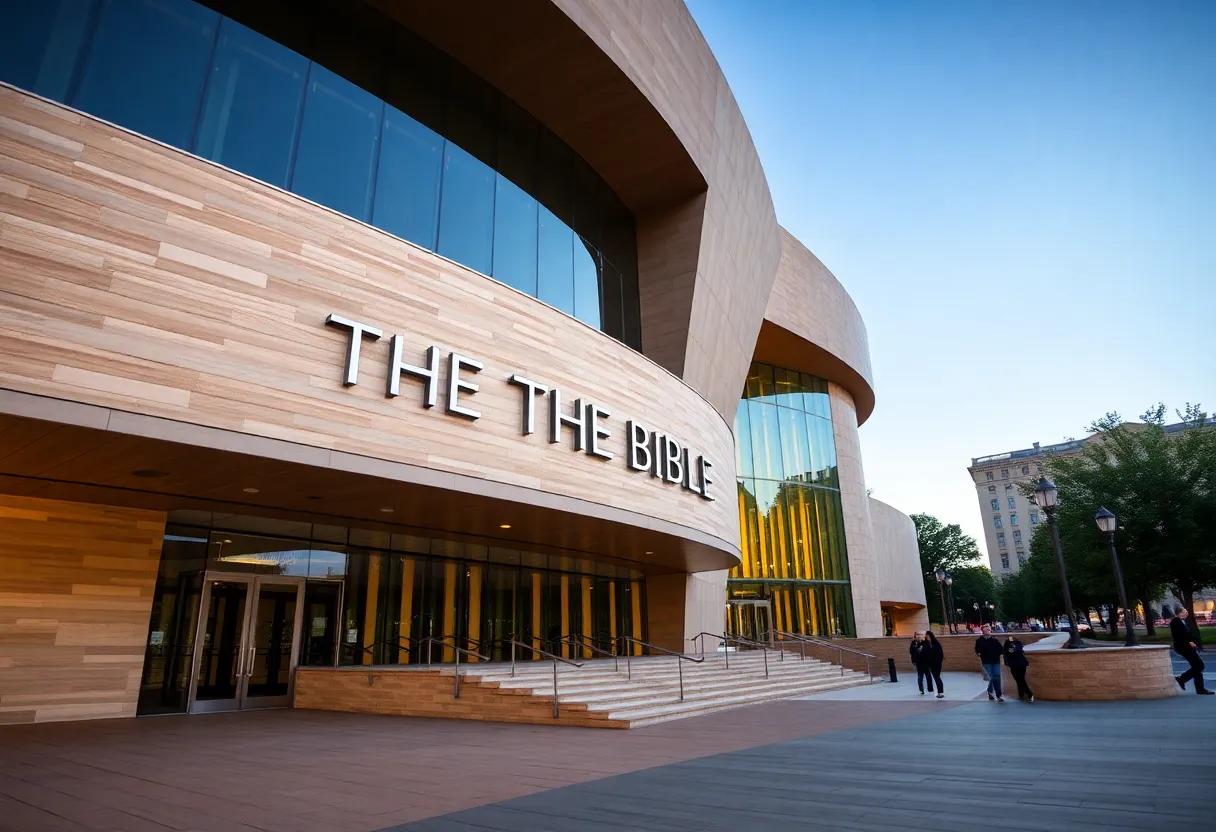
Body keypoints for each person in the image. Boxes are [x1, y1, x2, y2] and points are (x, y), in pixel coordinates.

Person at [1171, 606, 1213, 695]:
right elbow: (1180, 635)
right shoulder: (1175, 622)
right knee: (1199, 666)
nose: (1186, 612)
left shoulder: (1181, 621)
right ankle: (1182, 679)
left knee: (1197, 666)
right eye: (1184, 611)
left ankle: (1199, 688)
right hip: (1185, 648)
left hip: (1187, 647)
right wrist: (1190, 642)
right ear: (1180, 613)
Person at [975, 624, 1004, 702]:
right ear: (983, 631)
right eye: (986, 629)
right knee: (991, 678)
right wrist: (979, 654)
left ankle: (998, 695)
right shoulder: (979, 641)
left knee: (997, 677)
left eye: (989, 629)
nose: (988, 631)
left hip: (996, 661)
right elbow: (977, 650)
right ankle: (990, 692)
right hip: (986, 662)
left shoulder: (995, 640)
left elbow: (1001, 650)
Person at [1003, 636, 1033, 702]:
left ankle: (1028, 694)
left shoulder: (1012, 645)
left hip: (1017, 665)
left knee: (1020, 680)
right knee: (1020, 680)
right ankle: (1022, 695)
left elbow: (1009, 653)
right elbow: (1008, 652)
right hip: (1019, 664)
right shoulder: (1017, 644)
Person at [922, 631, 945, 698]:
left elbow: (940, 653)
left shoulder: (936, 643)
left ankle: (940, 691)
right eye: (926, 636)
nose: (927, 637)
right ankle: (939, 691)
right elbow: (924, 653)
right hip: (930, 664)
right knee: (936, 677)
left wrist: (940, 660)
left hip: (937, 663)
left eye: (927, 636)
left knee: (937, 677)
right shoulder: (925, 644)